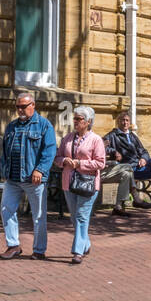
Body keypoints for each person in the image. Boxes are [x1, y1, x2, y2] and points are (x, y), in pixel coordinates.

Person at [0, 91, 57, 260]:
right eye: (17, 107)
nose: (20, 110)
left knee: (38, 215)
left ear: (33, 105)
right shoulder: (12, 126)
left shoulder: (44, 125)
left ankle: (39, 249)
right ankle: (13, 245)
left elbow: (50, 150)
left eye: (23, 107)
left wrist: (40, 170)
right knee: (6, 209)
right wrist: (4, 171)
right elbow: (4, 151)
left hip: (34, 179)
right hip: (13, 178)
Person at [54, 105, 106, 264]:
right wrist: (64, 161)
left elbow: (100, 163)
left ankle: (77, 251)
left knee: (82, 216)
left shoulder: (96, 140)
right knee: (75, 218)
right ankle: (86, 243)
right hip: (68, 183)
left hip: (88, 184)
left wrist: (79, 164)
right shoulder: (67, 138)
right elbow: (57, 158)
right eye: (74, 118)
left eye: (78, 119)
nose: (75, 121)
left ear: (88, 121)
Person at [102, 111, 151, 212]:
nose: (125, 123)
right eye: (122, 120)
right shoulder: (112, 135)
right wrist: (114, 151)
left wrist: (144, 159)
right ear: (118, 122)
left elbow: (144, 151)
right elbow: (101, 146)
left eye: (127, 120)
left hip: (140, 167)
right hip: (128, 169)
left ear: (129, 122)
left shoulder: (132, 136)